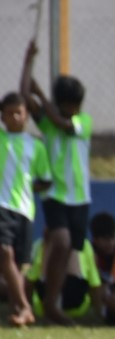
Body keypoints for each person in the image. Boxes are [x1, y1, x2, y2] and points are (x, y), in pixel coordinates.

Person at [20, 41, 92, 326]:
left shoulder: (83, 122)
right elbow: (24, 96)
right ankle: (50, 303)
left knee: (69, 248)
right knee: (60, 241)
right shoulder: (47, 122)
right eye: (70, 105)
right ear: (60, 103)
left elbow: (63, 124)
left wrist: (40, 93)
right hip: (55, 194)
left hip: (80, 197)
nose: (74, 110)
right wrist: (28, 62)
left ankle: (53, 301)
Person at [0, 92, 51, 327]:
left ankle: (18, 310)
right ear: (2, 117)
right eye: (8, 113)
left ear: (27, 115)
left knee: (20, 264)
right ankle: (25, 307)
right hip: (2, 205)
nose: (14, 118)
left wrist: (27, 187)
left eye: (18, 113)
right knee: (4, 252)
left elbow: (45, 180)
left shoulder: (35, 146)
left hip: (24, 209)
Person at [25, 234, 102, 322]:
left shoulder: (43, 243)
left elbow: (30, 280)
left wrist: (27, 308)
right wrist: (99, 312)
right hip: (75, 303)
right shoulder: (84, 243)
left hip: (46, 303)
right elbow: (94, 283)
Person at [89, 212, 115, 285]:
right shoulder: (88, 252)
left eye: (113, 237)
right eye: (106, 239)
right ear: (95, 240)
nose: (111, 243)